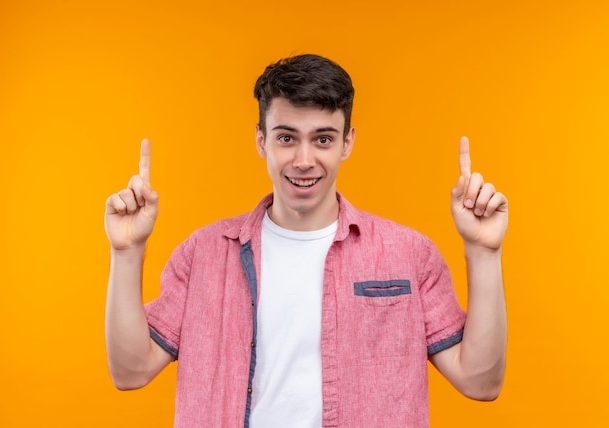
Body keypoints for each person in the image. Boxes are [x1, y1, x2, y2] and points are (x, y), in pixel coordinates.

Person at [105, 54, 508, 428]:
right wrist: (126, 252)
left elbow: (480, 382)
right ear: (261, 140)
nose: (303, 160)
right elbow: (130, 371)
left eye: (323, 139)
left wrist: (484, 252)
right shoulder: (203, 254)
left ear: (347, 142)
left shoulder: (408, 254)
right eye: (286, 138)